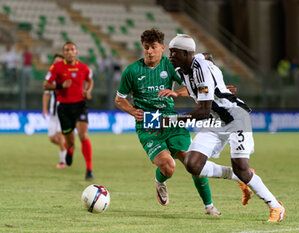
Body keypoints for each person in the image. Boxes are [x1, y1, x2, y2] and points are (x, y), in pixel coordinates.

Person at [115, 28, 251, 216]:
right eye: (146, 47)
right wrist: (132, 110)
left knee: (194, 162)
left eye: (153, 47)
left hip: (171, 119)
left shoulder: (170, 66)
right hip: (149, 124)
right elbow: (119, 99)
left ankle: (209, 206)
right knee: (168, 167)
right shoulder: (131, 71)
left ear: (162, 48)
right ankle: (160, 181)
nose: (149, 51)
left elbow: (194, 86)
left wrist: (187, 91)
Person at [158, 34, 285, 222]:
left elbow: (202, 112)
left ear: (186, 53)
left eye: (174, 52)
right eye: (170, 52)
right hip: (215, 119)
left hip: (235, 117)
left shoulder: (198, 71)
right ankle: (239, 177)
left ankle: (275, 206)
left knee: (242, 168)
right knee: (193, 165)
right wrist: (219, 86)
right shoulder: (187, 64)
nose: (170, 56)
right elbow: (207, 55)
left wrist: (171, 120)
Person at [43, 42, 94, 180]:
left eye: (72, 49)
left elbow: (90, 80)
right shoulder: (56, 67)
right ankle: (70, 150)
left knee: (83, 135)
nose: (70, 52)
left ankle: (89, 169)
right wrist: (60, 85)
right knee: (70, 141)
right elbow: (46, 85)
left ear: (76, 52)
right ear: (64, 53)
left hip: (80, 105)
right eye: (67, 50)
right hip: (64, 108)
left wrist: (87, 91)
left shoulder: (83, 67)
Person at [42, 54, 67, 168]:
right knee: (52, 138)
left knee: (59, 134)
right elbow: (46, 94)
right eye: (55, 61)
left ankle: (63, 161)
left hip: (63, 110)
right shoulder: (50, 77)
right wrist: (44, 108)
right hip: (53, 112)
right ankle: (67, 148)